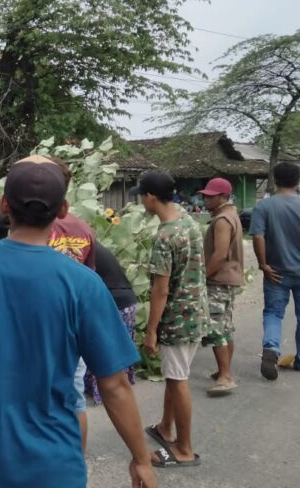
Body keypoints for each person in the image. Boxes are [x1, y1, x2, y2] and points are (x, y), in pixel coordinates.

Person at [0, 157, 154, 488]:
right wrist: (141, 460)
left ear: (4, 205)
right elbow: (114, 386)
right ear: (64, 209)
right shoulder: (83, 284)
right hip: (53, 468)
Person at [132, 171, 207, 468]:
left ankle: (185, 449)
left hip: (177, 318)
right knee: (174, 375)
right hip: (196, 311)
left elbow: (160, 289)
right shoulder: (188, 220)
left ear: (151, 197)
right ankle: (166, 427)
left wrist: (151, 331)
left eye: (142, 195)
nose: (141, 200)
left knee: (178, 381)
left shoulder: (164, 236)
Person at [47, 157, 96, 451]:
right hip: (75, 323)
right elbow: (90, 279)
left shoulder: (36, 226)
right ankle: (78, 458)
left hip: (42, 324)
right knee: (75, 396)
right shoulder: (84, 228)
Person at [249, 161, 300, 378]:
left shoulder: (264, 206)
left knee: (273, 313)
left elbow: (258, 236)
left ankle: (271, 349)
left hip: (275, 273)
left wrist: (263, 265)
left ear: (275, 180)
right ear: (298, 181)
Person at [199, 177, 244, 395]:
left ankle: (226, 377)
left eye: (210, 196)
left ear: (223, 196)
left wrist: (202, 276)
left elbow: (220, 254)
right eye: (205, 195)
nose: (205, 199)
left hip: (218, 279)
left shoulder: (222, 221)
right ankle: (223, 371)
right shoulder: (231, 215)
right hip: (230, 279)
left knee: (215, 328)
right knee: (226, 327)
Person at [87, 241, 138, 404]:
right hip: (125, 299)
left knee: (106, 352)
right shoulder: (93, 246)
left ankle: (109, 392)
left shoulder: (85, 249)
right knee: (119, 352)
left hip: (115, 301)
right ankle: (120, 389)